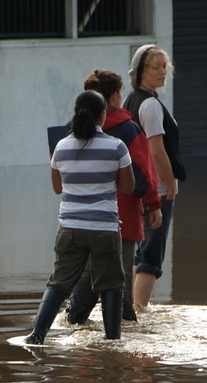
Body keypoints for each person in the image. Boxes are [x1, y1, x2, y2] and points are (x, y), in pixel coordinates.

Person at [25, 90, 134, 345]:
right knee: (110, 284)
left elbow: (58, 188)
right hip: (104, 229)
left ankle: (37, 335)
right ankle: (112, 342)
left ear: (76, 115)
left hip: (70, 228)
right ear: (103, 116)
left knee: (59, 282)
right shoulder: (116, 146)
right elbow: (128, 187)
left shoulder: (61, 147)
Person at [66, 69, 163, 326]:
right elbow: (144, 172)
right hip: (123, 217)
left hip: (80, 220)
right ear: (116, 97)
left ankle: (74, 320)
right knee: (119, 279)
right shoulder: (129, 130)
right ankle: (124, 328)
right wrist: (154, 204)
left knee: (87, 276)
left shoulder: (70, 131)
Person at [124, 44, 186, 313]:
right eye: (155, 67)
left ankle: (130, 309)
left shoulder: (132, 100)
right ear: (140, 72)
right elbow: (156, 151)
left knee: (140, 252)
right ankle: (139, 311)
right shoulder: (149, 105)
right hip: (156, 190)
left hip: (138, 189)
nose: (163, 72)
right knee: (152, 255)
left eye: (164, 66)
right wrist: (171, 184)